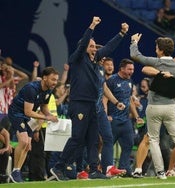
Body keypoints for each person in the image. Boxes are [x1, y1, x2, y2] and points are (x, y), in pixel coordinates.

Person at [50, 16, 129, 181]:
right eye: (91, 46)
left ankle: (94, 170)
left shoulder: (95, 61)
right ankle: (58, 167)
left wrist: (121, 33)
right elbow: (85, 41)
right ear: (83, 47)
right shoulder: (77, 58)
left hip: (92, 104)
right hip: (79, 104)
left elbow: (108, 48)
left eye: (94, 46)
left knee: (93, 139)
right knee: (77, 137)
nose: (94, 48)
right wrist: (92, 25)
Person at [130, 34, 175, 180]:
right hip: (170, 107)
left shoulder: (156, 62)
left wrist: (134, 41)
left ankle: (160, 172)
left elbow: (135, 55)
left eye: (156, 48)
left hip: (153, 107)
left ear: (160, 50)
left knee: (153, 140)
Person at [8, 67, 59, 183]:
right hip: (17, 113)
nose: (55, 83)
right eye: (53, 79)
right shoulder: (31, 89)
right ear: (44, 78)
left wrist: (51, 116)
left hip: (28, 117)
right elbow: (27, 112)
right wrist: (46, 118)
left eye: (56, 80)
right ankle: (15, 172)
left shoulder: (49, 90)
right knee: (24, 141)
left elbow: (44, 107)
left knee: (27, 146)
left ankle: (16, 172)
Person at [106, 58, 144, 177]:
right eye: (129, 69)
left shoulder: (130, 81)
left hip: (126, 120)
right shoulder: (111, 80)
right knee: (108, 145)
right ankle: (103, 169)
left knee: (129, 144)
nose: (131, 71)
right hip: (113, 119)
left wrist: (137, 116)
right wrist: (106, 115)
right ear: (122, 69)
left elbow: (129, 101)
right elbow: (104, 98)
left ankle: (124, 170)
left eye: (132, 69)